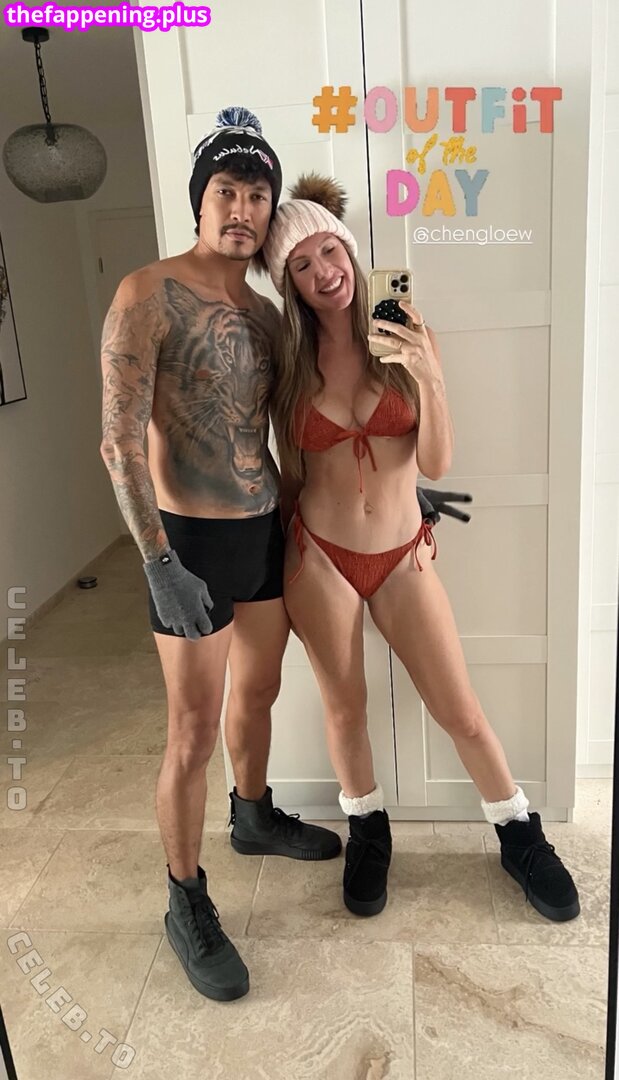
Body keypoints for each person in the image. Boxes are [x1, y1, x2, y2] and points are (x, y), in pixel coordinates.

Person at [99, 106, 473, 1004]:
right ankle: (185, 900)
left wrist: (396, 486)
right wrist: (157, 561)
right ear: (201, 201)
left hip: (268, 530)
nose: (241, 209)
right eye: (226, 191)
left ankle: (253, 814)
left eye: (256, 195)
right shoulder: (146, 292)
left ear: (272, 212)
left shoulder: (269, 316)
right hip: (189, 543)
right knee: (192, 731)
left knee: (260, 692)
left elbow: (303, 427)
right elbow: (117, 442)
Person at [262, 173, 580, 924]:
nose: (323, 271)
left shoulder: (403, 331)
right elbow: (288, 470)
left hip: (403, 554)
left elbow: (434, 460)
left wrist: (428, 376)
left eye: (329, 250)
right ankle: (368, 828)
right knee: (345, 710)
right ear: (289, 283)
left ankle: (518, 832)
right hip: (321, 556)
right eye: (301, 264)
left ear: (350, 249)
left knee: (458, 709)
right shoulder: (288, 360)